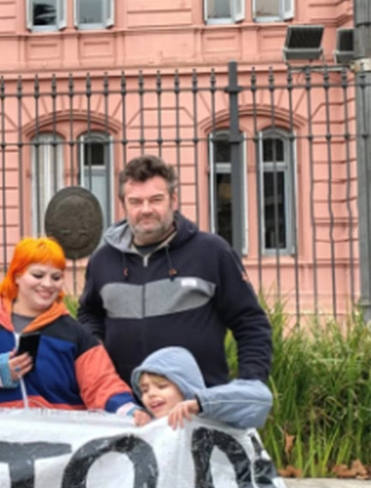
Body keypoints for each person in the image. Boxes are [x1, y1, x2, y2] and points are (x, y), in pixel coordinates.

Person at [78, 154, 272, 388]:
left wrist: (249, 385)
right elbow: (89, 315)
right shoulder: (103, 260)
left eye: (156, 199)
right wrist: (97, 349)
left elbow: (250, 322)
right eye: (136, 202)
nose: (146, 210)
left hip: (198, 407)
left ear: (174, 200)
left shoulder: (211, 252)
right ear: (123, 205)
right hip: (125, 407)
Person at [0, 237, 136, 413]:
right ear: (16, 275)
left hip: (56, 448)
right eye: (38, 275)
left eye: (56, 277)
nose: (48, 284)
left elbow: (102, 384)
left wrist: (128, 411)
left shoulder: (75, 333)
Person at [132, 346, 273, 430]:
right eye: (144, 390)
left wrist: (202, 404)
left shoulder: (219, 415)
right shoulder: (150, 428)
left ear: (185, 386)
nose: (151, 394)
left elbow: (261, 399)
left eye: (162, 386)